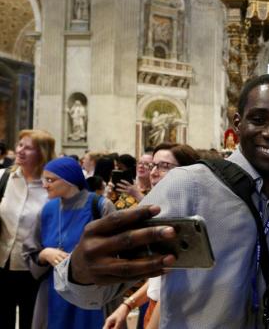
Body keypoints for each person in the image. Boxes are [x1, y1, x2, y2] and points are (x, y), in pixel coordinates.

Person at [55, 74, 269, 328]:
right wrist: (79, 270)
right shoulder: (188, 185)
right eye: (259, 119)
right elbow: (95, 288)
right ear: (237, 125)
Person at [104, 143, 199, 329]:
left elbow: (174, 287)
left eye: (164, 166)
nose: (154, 172)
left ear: (186, 172)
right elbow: (161, 278)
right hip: (154, 308)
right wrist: (127, 304)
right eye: (152, 166)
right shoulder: (165, 213)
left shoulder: (186, 220)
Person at [23, 157, 116, 329]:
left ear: (69, 180)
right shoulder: (47, 210)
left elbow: (117, 249)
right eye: (44, 180)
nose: (45, 185)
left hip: (91, 292)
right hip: (54, 293)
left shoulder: (100, 206)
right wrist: (45, 254)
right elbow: (31, 251)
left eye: (50, 180)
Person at [0, 129, 56, 329]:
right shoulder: (4, 177)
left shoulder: (52, 187)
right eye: (20, 145)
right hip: (2, 264)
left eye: (28, 148)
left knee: (31, 322)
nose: (20, 151)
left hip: (33, 270)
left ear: (42, 153)